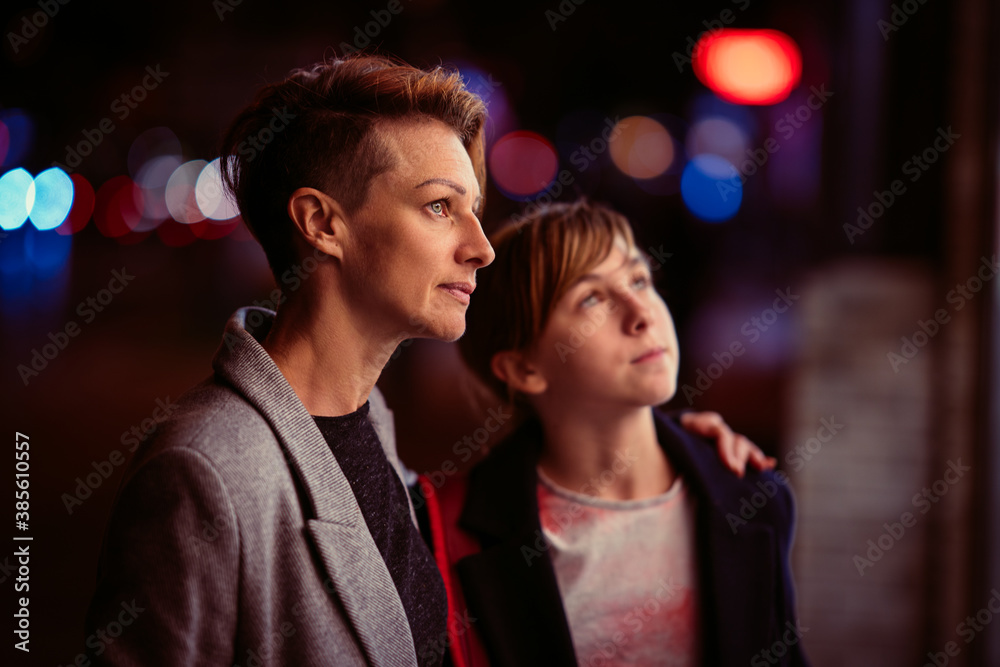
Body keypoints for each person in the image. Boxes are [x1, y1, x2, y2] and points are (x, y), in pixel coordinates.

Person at [86, 55, 775, 666]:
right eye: (440, 207)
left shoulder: (372, 429)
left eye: (473, 210)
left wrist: (680, 449)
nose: (482, 246)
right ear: (322, 223)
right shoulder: (204, 466)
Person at [422, 199, 807, 666]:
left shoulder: (751, 493)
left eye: (639, 280)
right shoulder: (448, 529)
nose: (641, 313)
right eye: (592, 299)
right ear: (524, 368)